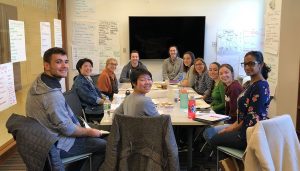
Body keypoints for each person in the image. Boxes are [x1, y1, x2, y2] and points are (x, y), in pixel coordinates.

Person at [26, 47, 106, 171]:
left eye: (66, 61)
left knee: (97, 137)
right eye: (58, 62)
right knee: (105, 145)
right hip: (56, 144)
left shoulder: (42, 82)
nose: (64, 66)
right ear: (46, 65)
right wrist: (90, 132)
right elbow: (66, 128)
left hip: (47, 138)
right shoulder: (50, 95)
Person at [203, 51, 271, 150]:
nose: (247, 67)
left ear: (260, 65)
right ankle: (230, 162)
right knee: (213, 134)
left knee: (212, 138)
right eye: (245, 64)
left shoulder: (260, 86)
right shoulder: (250, 84)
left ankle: (234, 163)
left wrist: (231, 129)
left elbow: (251, 118)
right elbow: (243, 115)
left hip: (248, 135)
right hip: (242, 128)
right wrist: (230, 128)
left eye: (251, 64)